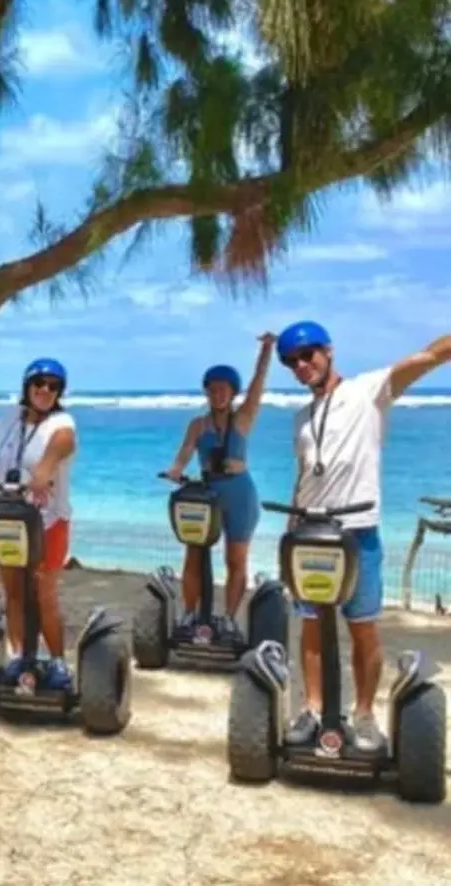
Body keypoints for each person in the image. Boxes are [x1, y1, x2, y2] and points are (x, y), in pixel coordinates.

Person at [276, 320, 450, 753]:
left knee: (363, 630)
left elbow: (427, 358)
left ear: (328, 351)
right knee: (311, 628)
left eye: (308, 355)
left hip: (358, 534)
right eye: (291, 362)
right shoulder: (302, 418)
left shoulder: (369, 390)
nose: (301, 366)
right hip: (310, 536)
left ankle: (365, 713)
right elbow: (304, 477)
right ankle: (313, 709)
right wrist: (288, 532)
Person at [0, 358, 77, 690]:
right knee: (12, 591)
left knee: (43, 593)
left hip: (47, 522)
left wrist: (43, 472)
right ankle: (19, 657)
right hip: (6, 517)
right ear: (27, 387)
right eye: (38, 383)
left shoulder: (62, 423)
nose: (44, 390)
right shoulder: (14, 417)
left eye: (52, 386)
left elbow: (64, 443)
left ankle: (56, 661)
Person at [163, 332, 275, 645]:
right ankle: (189, 613)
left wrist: (266, 351)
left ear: (232, 393)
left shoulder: (243, 419)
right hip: (207, 494)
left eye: (224, 390)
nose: (218, 394)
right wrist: (176, 470)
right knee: (194, 554)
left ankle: (228, 619)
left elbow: (257, 385)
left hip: (240, 493)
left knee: (236, 559)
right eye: (213, 390)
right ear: (207, 393)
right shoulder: (198, 425)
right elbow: (185, 452)